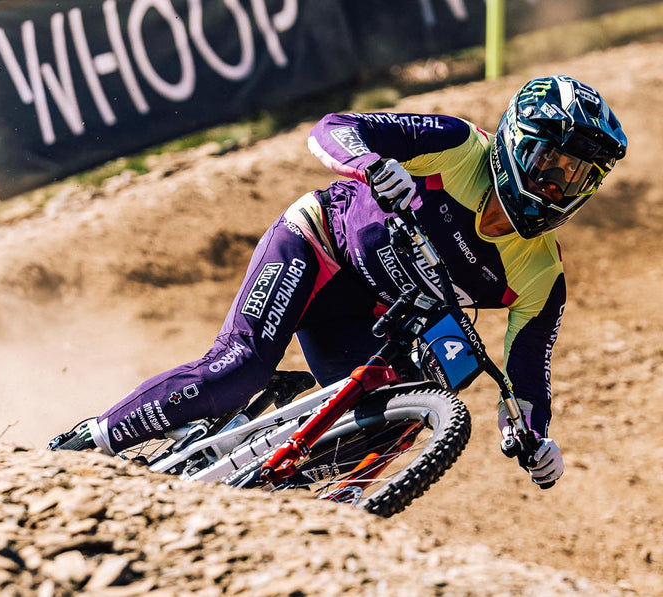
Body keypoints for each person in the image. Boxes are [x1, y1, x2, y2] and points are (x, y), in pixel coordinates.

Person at [49, 75, 627, 488]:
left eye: (577, 179)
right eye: (550, 165)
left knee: (399, 418)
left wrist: (534, 437)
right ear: (516, 144)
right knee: (238, 368)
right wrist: (370, 165)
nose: (557, 188)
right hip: (316, 248)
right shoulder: (456, 145)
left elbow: (526, 379)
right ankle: (85, 443)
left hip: (369, 317)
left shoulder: (542, 273)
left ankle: (274, 495)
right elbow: (335, 128)